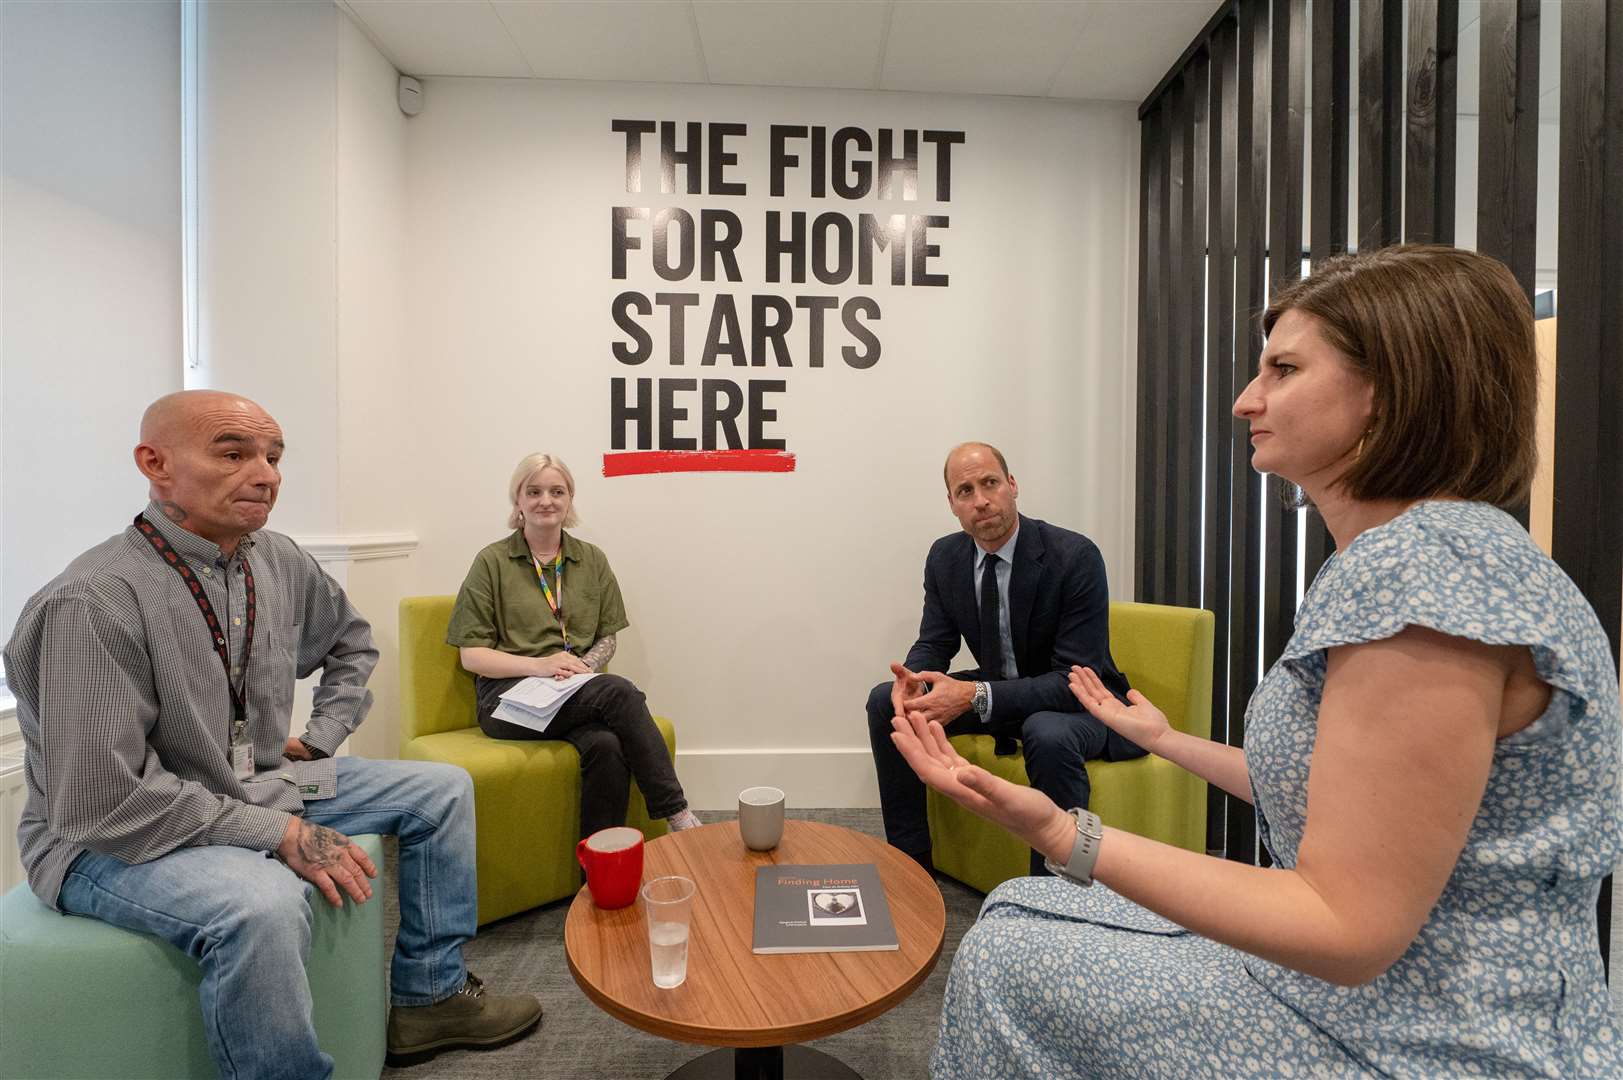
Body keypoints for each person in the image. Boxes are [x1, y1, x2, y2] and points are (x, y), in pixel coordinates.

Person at [893, 246, 1622, 1077]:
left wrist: (1057, 828)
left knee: (1004, 954)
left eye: (1282, 369)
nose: (1246, 400)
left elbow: (1347, 929)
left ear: (1388, 394)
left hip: (1427, 1030)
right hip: (1404, 990)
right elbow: (1349, 791)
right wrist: (1162, 738)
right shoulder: (1430, 556)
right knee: (1025, 902)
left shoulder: (1422, 577)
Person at [3, 390, 543, 1079]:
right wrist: (279, 834)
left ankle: (429, 997)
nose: (266, 474)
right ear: (155, 463)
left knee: (438, 789)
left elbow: (350, 644)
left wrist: (320, 739)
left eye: (273, 456)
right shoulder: (91, 602)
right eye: (233, 453)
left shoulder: (275, 559)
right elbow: (106, 802)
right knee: (263, 905)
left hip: (260, 784)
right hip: (112, 840)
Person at [866, 442, 1143, 876]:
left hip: (1079, 701)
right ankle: (911, 867)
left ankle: (1052, 894)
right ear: (952, 505)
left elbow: (1073, 678)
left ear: (1012, 486)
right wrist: (915, 678)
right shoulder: (946, 557)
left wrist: (974, 694)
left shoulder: (1074, 557)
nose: (981, 500)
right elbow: (935, 640)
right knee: (887, 702)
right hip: (1001, 688)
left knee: (1046, 731)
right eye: (965, 491)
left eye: (990, 483)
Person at [447, 452, 700, 840]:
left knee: (607, 745)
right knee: (618, 690)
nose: (545, 500)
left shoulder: (591, 559)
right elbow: (472, 656)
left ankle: (600, 873)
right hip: (506, 699)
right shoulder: (492, 561)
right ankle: (677, 814)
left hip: (571, 690)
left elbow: (607, 636)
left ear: (569, 499)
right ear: (518, 501)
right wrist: (542, 666)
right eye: (533, 491)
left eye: (556, 491)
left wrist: (580, 667)